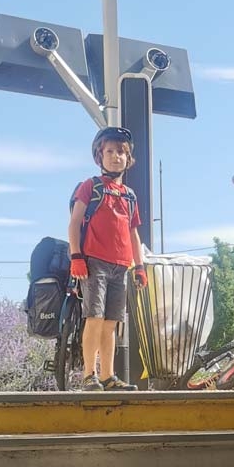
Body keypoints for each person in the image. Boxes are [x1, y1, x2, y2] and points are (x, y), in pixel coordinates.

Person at [68, 126, 148, 391]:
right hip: (94, 263)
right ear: (99, 156)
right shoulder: (90, 187)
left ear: (128, 158)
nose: (116, 157)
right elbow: (74, 223)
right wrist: (76, 256)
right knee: (95, 318)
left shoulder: (129, 196)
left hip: (121, 266)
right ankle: (89, 374)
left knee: (112, 322)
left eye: (121, 152)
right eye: (110, 151)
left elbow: (133, 233)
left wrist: (140, 267)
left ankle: (108, 376)